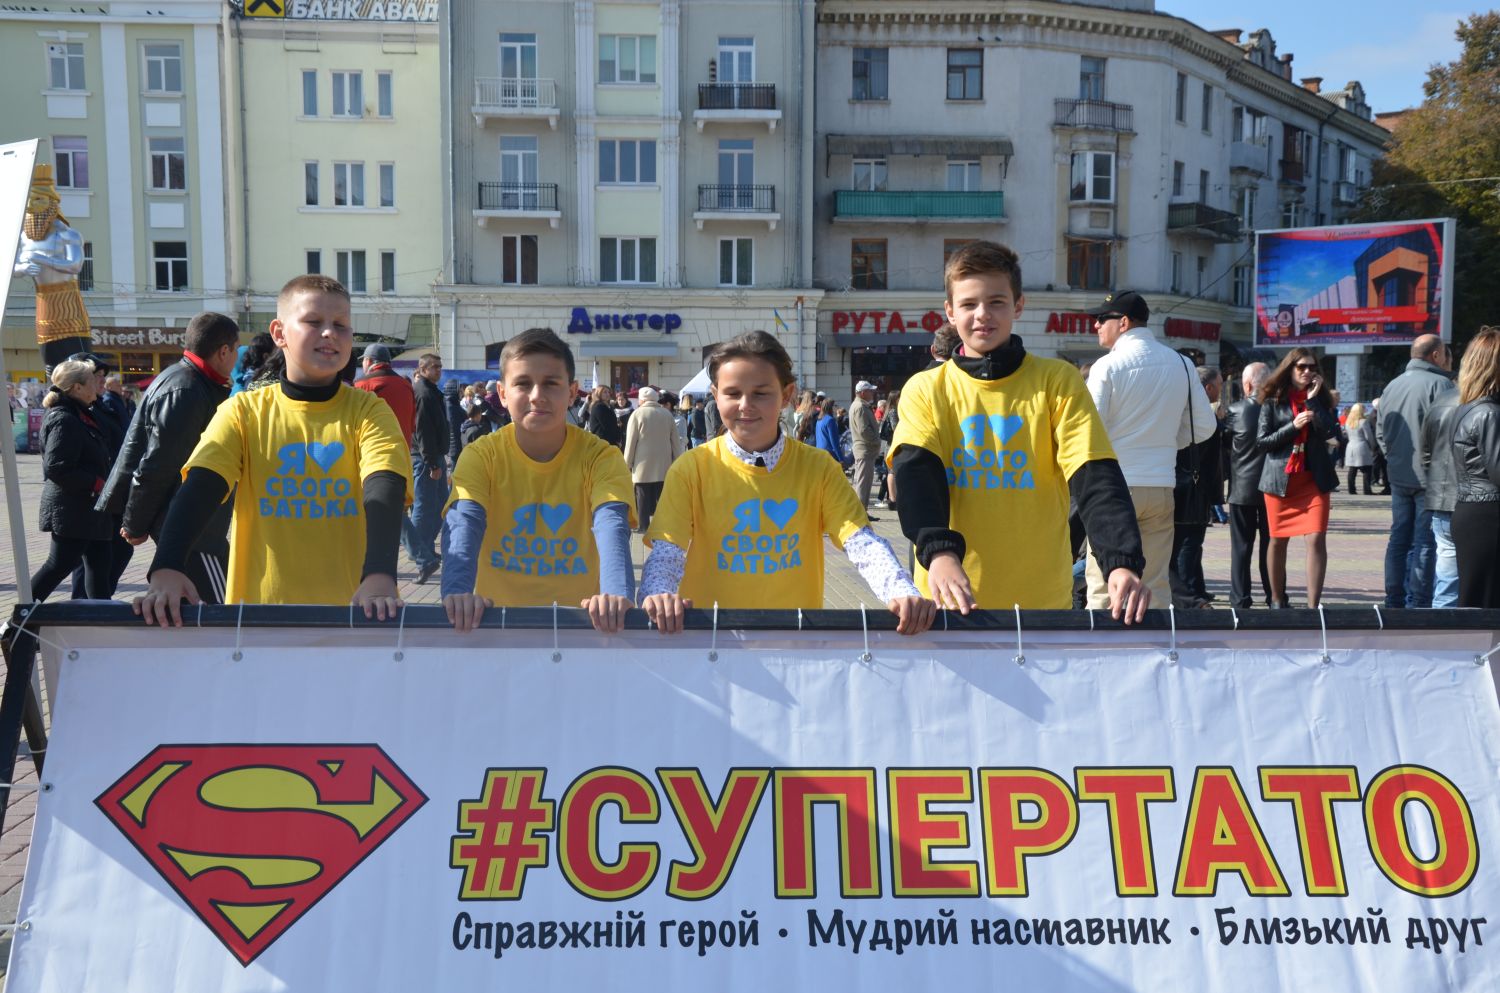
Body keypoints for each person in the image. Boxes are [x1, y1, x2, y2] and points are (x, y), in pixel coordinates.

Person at [133, 275, 412, 625]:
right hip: (257, 621)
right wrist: (167, 567)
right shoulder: (243, 411)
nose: (330, 332)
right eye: (313, 321)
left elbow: (384, 487)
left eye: (341, 325)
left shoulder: (370, 410)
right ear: (279, 333)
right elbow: (201, 487)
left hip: (353, 615)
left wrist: (380, 575)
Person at [890, 241, 1148, 619]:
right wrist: (939, 552)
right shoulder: (926, 389)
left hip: (1040, 602)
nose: (983, 314)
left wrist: (1120, 561)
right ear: (950, 311)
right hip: (948, 602)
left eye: (997, 302)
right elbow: (915, 476)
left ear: (1019, 305)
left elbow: (1095, 475)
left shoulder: (1057, 381)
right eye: (968, 304)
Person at [640, 330, 934, 634]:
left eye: (761, 393)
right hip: (712, 640)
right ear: (716, 395)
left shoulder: (819, 467)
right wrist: (657, 595)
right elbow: (667, 551)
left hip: (795, 641)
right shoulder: (691, 468)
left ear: (787, 395)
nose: (745, 404)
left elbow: (861, 541)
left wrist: (900, 590)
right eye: (733, 393)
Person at [439, 328, 637, 633]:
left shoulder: (602, 457)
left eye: (551, 383)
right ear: (502, 394)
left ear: (572, 392)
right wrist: (456, 593)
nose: (536, 396)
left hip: (582, 629)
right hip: (496, 628)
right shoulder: (480, 455)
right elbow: (465, 521)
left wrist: (617, 594)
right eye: (523, 383)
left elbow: (612, 524)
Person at [1084, 290, 1216, 610]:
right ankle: (1154, 641)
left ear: (1123, 322)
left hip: (1114, 488)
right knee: (1155, 584)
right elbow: (1204, 427)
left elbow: (1088, 429)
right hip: (1160, 485)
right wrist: (1167, 442)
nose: (1096, 325)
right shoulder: (1182, 364)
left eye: (1101, 319)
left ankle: (1100, 640)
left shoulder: (1107, 366)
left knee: (1103, 584)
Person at [99, 312, 240, 603]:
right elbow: (157, 465)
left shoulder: (189, 380)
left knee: (193, 611)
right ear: (224, 351)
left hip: (189, 523)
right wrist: (135, 523)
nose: (237, 358)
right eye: (236, 349)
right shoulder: (187, 389)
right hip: (192, 528)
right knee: (219, 613)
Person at [1377, 334, 1456, 608]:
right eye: (1444, 353)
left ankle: (1393, 600)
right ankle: (1418, 603)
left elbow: (1380, 432)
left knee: (1398, 539)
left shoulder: (1392, 386)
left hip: (1399, 475)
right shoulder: (1441, 385)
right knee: (1424, 542)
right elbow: (1447, 433)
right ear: (1436, 355)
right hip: (1430, 479)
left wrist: (1394, 459)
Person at [1256, 347, 1338, 608]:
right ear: (1289, 369)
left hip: (1313, 482)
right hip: (1280, 483)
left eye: (1312, 367)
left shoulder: (1321, 401)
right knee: (1278, 541)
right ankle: (1277, 601)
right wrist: (1293, 426)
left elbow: (1332, 434)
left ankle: (1313, 607)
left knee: (1316, 538)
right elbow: (1263, 442)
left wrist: (1313, 401)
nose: (1307, 371)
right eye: (1301, 366)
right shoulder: (1272, 402)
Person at [29, 359, 114, 601]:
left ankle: (101, 618)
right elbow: (57, 468)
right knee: (59, 565)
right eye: (92, 380)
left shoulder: (83, 413)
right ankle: (20, 614)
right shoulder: (64, 418)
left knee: (100, 568)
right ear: (77, 387)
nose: (99, 383)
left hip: (92, 509)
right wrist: (97, 483)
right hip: (72, 509)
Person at [1450, 327, 1500, 607]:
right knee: (1483, 608)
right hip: (1488, 516)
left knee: (1476, 604)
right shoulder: (1489, 413)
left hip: (1473, 511)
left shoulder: (1468, 409)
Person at [1169, 365, 1225, 608]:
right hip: (1192, 487)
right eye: (1219, 385)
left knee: (1188, 545)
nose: (1220, 390)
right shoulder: (1200, 416)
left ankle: (1195, 590)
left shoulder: (1176, 410)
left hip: (1182, 485)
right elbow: (1211, 459)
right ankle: (1188, 598)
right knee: (1187, 544)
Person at [1225, 362, 1273, 608]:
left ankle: (1240, 597)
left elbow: (1224, 446)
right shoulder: (1277, 409)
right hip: (1271, 487)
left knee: (1241, 547)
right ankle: (1274, 595)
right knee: (1271, 545)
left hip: (1241, 489)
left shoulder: (1235, 410)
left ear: (1247, 385)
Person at [406, 353, 448, 584]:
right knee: (423, 508)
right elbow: (423, 431)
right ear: (423, 369)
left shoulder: (431, 390)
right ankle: (422, 558)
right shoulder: (423, 392)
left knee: (441, 504)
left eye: (440, 366)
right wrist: (431, 462)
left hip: (435, 456)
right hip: (425, 459)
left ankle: (427, 549)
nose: (439, 370)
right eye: (435, 367)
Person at [1420, 388, 1462, 608]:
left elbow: (1426, 454)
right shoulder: (1488, 404)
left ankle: (1442, 626)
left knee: (1447, 582)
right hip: (1477, 499)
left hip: (1442, 496)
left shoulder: (1442, 399)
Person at [623, 386, 683, 533]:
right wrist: (678, 460)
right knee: (661, 494)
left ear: (642, 399)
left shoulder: (637, 414)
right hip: (664, 461)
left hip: (642, 462)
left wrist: (626, 463)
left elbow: (631, 442)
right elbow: (675, 441)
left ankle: (644, 526)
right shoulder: (667, 414)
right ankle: (662, 525)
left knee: (642, 495)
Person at [352, 343, 415, 444]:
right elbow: (412, 424)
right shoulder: (406, 385)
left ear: (368, 361)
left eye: (363, 360)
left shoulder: (361, 385)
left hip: (374, 449)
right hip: (403, 448)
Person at [848, 380, 881, 515]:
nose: (872, 393)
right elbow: (864, 430)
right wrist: (876, 440)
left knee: (863, 481)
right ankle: (860, 512)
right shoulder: (860, 407)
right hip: (865, 449)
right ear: (862, 393)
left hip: (864, 449)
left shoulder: (859, 405)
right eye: (869, 391)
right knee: (863, 482)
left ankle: (861, 511)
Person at [1343, 402, 1376, 495]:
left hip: (1350, 446)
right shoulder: (1363, 421)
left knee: (1352, 469)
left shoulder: (1348, 422)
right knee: (1367, 469)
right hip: (1362, 446)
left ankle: (1351, 489)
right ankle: (1367, 490)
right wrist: (1373, 446)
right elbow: (1368, 436)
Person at [813, 397, 844, 463]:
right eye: (835, 405)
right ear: (830, 407)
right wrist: (841, 459)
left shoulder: (819, 420)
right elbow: (834, 442)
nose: (837, 408)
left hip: (819, 453)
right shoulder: (830, 420)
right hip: (829, 455)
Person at [444, 379, 466, 468]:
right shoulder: (451, 407)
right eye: (460, 390)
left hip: (455, 444)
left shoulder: (453, 404)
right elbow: (454, 428)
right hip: (455, 445)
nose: (462, 392)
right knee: (455, 469)